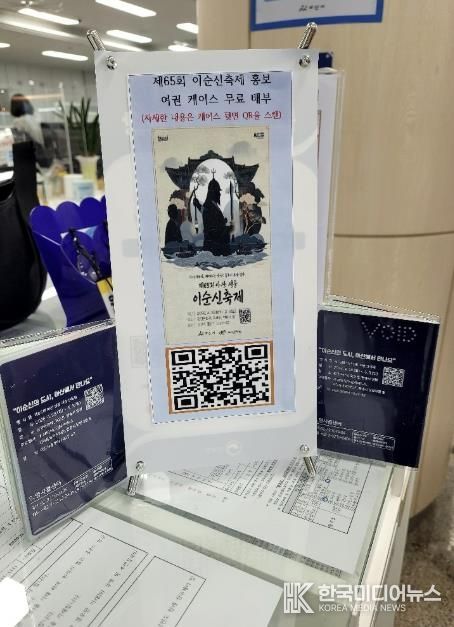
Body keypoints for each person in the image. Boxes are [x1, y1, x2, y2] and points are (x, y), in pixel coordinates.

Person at [10, 94, 52, 167]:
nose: (29, 105)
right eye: (27, 102)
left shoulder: (18, 121)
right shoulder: (27, 119)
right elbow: (38, 139)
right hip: (38, 156)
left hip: (30, 158)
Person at [202, 178, 231, 255]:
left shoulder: (213, 205)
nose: (220, 194)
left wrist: (223, 222)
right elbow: (212, 229)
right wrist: (226, 228)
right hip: (213, 248)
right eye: (218, 191)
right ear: (213, 192)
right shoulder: (209, 206)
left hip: (215, 246)